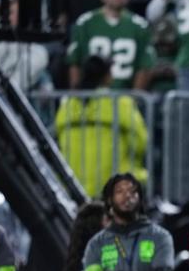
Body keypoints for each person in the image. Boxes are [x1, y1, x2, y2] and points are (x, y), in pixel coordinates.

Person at [55, 56, 149, 198]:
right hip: (112, 188)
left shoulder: (67, 105)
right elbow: (141, 143)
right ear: (107, 77)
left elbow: (58, 139)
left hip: (70, 187)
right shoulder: (121, 103)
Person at [67, 0, 155, 90]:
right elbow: (74, 61)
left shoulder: (139, 26)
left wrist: (135, 98)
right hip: (91, 96)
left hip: (125, 96)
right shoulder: (85, 23)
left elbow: (145, 65)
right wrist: (78, 95)